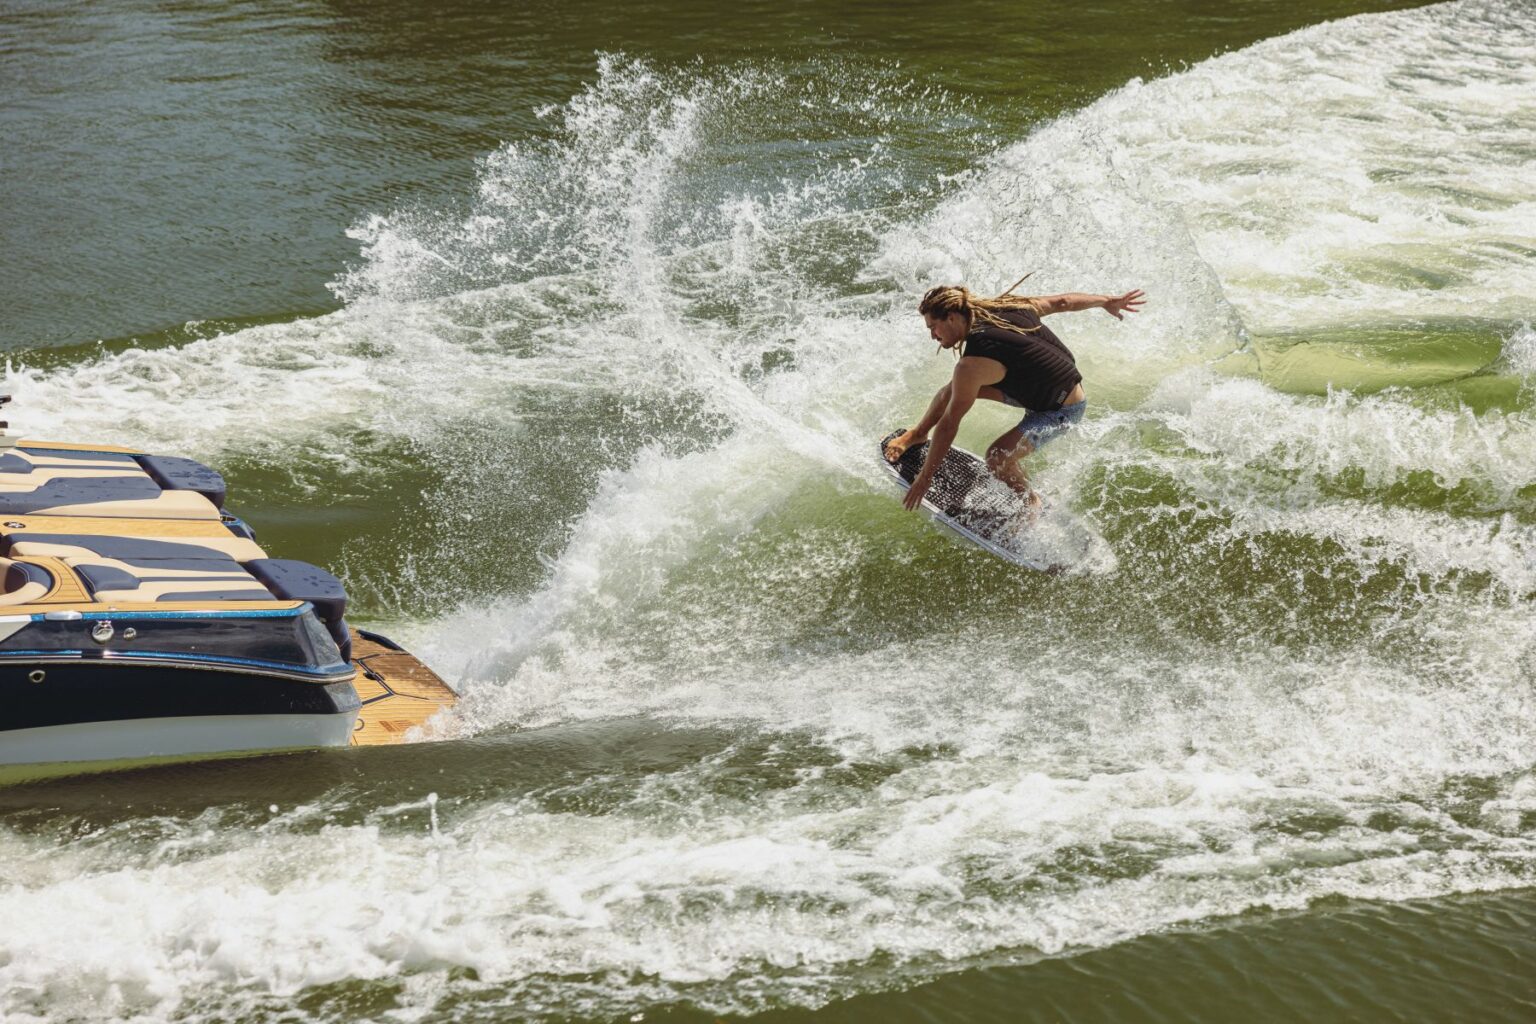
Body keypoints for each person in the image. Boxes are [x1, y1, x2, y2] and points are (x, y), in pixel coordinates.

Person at [884, 281, 1145, 511]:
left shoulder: (971, 365)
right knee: (951, 391)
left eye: (934, 327)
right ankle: (918, 434)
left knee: (997, 458)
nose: (932, 335)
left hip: (1060, 411)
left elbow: (950, 422)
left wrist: (925, 478)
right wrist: (1107, 301)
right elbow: (1062, 302)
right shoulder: (1008, 306)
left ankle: (1031, 504)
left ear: (951, 317)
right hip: (1037, 390)